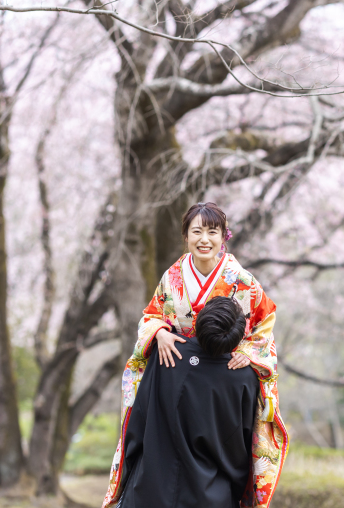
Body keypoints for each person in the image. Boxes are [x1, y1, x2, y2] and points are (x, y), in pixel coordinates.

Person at [103, 202, 288, 508]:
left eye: (212, 231)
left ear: (223, 237)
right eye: (197, 231)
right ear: (185, 237)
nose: (205, 239)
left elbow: (264, 323)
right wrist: (160, 333)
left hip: (220, 370)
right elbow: (151, 316)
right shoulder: (173, 276)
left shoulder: (241, 279)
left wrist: (249, 353)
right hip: (175, 366)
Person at [117, 296, 259, 508]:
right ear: (239, 336)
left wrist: (130, 471)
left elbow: (138, 420)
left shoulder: (166, 352)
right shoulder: (245, 377)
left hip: (149, 487)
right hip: (211, 494)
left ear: (198, 321)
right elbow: (242, 445)